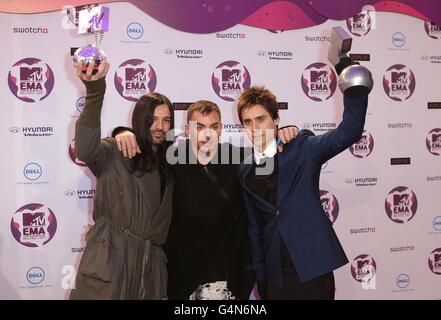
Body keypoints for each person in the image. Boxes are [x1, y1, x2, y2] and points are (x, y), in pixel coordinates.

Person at [113, 100, 297, 299]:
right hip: (181, 278)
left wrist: (288, 132)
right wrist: (121, 132)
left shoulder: (241, 158)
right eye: (199, 127)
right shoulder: (170, 159)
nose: (206, 134)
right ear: (186, 130)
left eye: (213, 127)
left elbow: (278, 153)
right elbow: (143, 150)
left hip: (228, 278)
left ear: (221, 129)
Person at [237, 86, 368, 300]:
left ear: (276, 119)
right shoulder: (245, 169)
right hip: (275, 274)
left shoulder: (302, 148)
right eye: (248, 122)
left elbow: (349, 131)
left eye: (260, 119)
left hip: (313, 265)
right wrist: (261, 277)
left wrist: (352, 83)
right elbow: (254, 229)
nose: (254, 128)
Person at [69, 60, 174, 300]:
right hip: (111, 262)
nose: (159, 127)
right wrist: (95, 92)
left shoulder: (172, 160)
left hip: (150, 270)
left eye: (166, 120)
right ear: (139, 120)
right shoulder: (116, 150)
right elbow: (84, 149)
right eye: (152, 120)